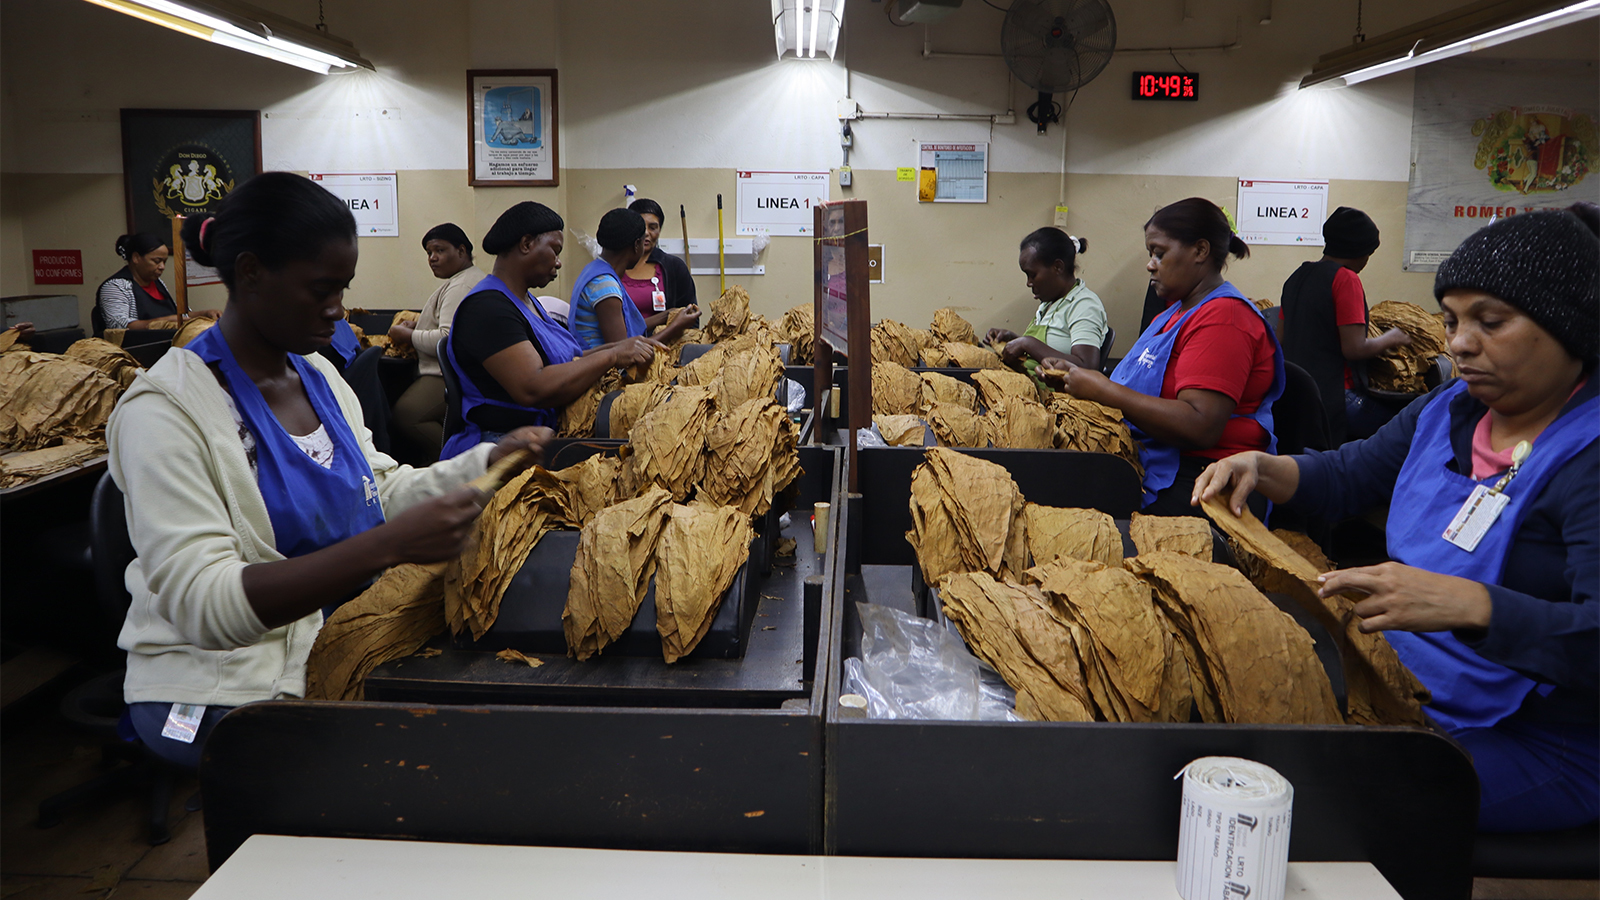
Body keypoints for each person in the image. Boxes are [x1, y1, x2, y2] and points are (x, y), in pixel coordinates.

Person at [107, 172, 549, 767]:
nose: (337, 309)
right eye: (320, 289)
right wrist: (385, 547)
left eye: (342, 287)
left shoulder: (316, 377)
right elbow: (204, 606)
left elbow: (379, 490)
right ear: (251, 271)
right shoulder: (168, 410)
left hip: (330, 634)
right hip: (222, 684)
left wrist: (486, 462)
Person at [1194, 205, 1598, 834]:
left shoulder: (1589, 458)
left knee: (1319, 803)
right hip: (1408, 684)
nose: (1460, 343)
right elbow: (1352, 473)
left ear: (1571, 327)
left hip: (1546, 740)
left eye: (1491, 321)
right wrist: (1262, 467)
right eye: (1452, 321)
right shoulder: (1450, 409)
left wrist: (1473, 606)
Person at [1040, 197, 1283, 515]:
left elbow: (1201, 426)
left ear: (1200, 251)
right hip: (1154, 459)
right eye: (1149, 254)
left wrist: (1105, 391)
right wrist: (1076, 380)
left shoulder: (1225, 318)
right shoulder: (1171, 315)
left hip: (1203, 482)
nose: (1150, 264)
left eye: (1159, 253)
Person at [442, 202, 660, 460]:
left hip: (541, 434)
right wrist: (612, 356)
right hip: (502, 448)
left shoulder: (527, 302)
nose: (558, 263)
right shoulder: (488, 308)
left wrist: (623, 347)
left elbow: (572, 359)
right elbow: (533, 387)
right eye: (555, 251)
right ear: (526, 244)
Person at [1280, 207, 1412, 445]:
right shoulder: (1346, 278)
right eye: (1369, 253)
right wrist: (1391, 338)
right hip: (1335, 398)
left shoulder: (1296, 277)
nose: (1366, 261)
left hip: (1296, 398)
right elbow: (1354, 348)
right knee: (1410, 427)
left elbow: (1280, 339)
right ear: (1359, 250)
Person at [389, 224, 486, 461]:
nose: (432, 258)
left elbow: (447, 338)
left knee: (408, 413)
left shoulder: (462, 284)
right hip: (450, 371)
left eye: (439, 250)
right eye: (429, 253)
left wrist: (408, 336)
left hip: (445, 373)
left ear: (462, 251)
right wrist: (420, 326)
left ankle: (455, 464)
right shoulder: (465, 279)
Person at [567, 208, 698, 351]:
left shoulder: (593, 270)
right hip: (603, 371)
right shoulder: (605, 285)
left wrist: (668, 315)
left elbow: (628, 326)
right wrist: (674, 327)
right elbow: (625, 355)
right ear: (637, 245)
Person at [985, 228, 1107, 380]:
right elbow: (1047, 349)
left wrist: (1027, 343)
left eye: (1033, 275)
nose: (1029, 283)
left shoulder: (1084, 306)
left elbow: (1087, 367)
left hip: (1058, 399)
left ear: (1058, 267)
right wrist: (1013, 339)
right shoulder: (1049, 303)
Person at [94, 233, 219, 336]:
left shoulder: (158, 283)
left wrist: (205, 313)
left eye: (164, 262)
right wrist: (163, 322)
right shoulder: (115, 286)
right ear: (136, 258)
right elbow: (119, 327)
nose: (162, 267)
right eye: (157, 261)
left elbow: (180, 315)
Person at [624, 198, 700, 327]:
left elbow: (691, 318)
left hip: (665, 344)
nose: (646, 233)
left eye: (653, 227)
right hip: (620, 343)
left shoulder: (674, 267)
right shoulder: (616, 265)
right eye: (641, 226)